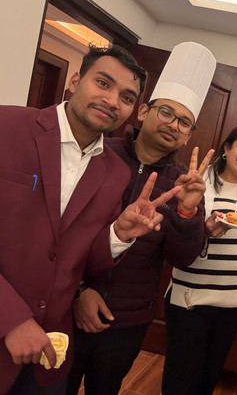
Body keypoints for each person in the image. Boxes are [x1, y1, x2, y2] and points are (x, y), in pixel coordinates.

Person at [0, 44, 181, 394]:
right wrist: (12, 318)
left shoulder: (114, 172)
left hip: (50, 353)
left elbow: (77, 261)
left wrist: (118, 235)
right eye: (103, 83)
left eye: (126, 97)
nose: (112, 101)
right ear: (75, 80)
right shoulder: (7, 127)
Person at [65, 42, 217, 395]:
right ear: (143, 111)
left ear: (189, 136)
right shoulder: (98, 153)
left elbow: (182, 257)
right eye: (166, 113)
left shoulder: (184, 184)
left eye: (184, 122)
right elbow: (62, 230)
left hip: (128, 319)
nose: (173, 125)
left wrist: (187, 211)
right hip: (68, 304)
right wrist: (79, 292)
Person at [162, 123, 237, 395]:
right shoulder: (199, 184)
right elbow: (174, 237)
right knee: (181, 380)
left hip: (235, 303)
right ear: (227, 148)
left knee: (209, 376)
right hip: (191, 300)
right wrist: (202, 232)